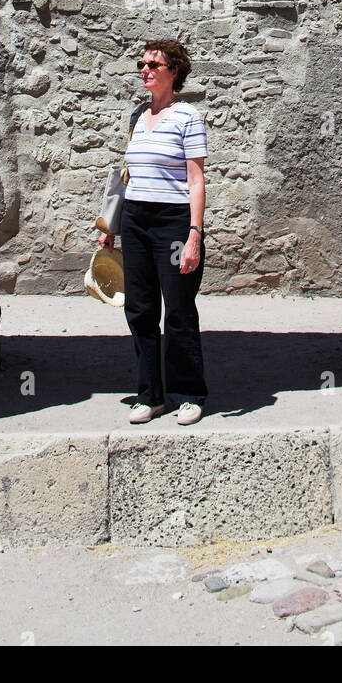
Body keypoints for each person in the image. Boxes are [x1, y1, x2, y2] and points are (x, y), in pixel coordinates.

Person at [98, 39, 208, 425]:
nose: (145, 70)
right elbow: (128, 177)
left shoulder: (188, 117)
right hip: (136, 221)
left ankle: (188, 394)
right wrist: (112, 226)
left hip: (174, 222)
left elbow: (196, 180)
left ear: (173, 72)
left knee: (178, 310)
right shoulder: (136, 117)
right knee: (140, 309)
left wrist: (195, 233)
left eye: (153, 65)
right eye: (142, 64)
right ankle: (150, 395)